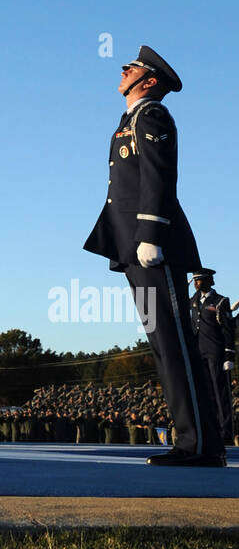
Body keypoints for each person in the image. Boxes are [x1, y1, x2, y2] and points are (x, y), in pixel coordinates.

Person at [84, 46, 224, 466]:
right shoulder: (129, 120)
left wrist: (151, 234)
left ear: (148, 81)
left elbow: (159, 177)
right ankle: (192, 441)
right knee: (163, 346)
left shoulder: (152, 117)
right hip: (133, 248)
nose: (124, 69)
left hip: (152, 249)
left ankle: (200, 445)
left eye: (133, 67)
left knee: (176, 343)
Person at [190, 269, 237, 448]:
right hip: (199, 353)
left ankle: (226, 433)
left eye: (199, 280)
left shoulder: (220, 301)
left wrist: (229, 354)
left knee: (221, 394)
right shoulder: (193, 301)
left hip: (216, 353)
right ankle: (211, 431)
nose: (196, 283)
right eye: (195, 280)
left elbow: (227, 329)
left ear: (209, 281)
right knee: (206, 394)